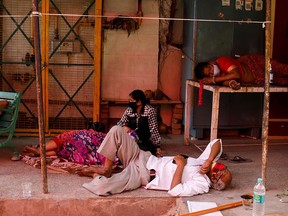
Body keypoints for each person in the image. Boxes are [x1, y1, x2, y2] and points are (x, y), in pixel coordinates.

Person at [82, 125, 232, 196]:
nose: (217, 164)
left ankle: (97, 176)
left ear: (214, 177)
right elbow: (216, 142)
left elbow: (175, 191)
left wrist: (181, 165)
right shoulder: (205, 162)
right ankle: (106, 169)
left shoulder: (202, 184)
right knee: (116, 130)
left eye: (220, 168)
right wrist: (209, 159)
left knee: (101, 187)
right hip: (144, 157)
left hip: (144, 174)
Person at [23, 122, 118, 166]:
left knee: (58, 142)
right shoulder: (105, 136)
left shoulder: (82, 133)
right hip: (74, 150)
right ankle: (37, 152)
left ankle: (36, 150)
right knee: (61, 150)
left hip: (72, 140)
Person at [194, 54, 288, 90]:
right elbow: (229, 81)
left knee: (282, 69)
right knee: (282, 81)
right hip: (260, 78)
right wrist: (233, 84)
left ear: (210, 63)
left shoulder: (222, 61)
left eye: (210, 68)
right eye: (210, 74)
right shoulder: (220, 77)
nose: (212, 72)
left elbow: (236, 74)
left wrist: (214, 80)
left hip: (256, 63)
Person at [117, 89, 162, 156]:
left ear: (139, 102)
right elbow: (120, 123)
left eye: (131, 100)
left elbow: (154, 129)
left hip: (144, 141)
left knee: (144, 154)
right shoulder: (129, 110)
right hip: (131, 139)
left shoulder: (150, 111)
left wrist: (157, 146)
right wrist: (125, 127)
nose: (129, 102)